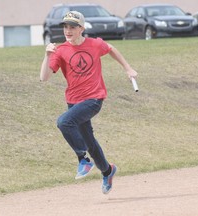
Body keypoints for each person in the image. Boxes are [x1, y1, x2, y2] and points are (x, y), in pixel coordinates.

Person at [40, 11, 138, 194]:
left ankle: (82, 159)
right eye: (65, 27)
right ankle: (108, 171)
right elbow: (44, 78)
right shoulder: (60, 50)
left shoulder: (94, 44)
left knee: (64, 122)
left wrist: (128, 68)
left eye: (72, 27)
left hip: (94, 98)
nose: (68, 31)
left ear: (81, 29)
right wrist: (47, 55)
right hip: (73, 101)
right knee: (89, 141)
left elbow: (111, 49)